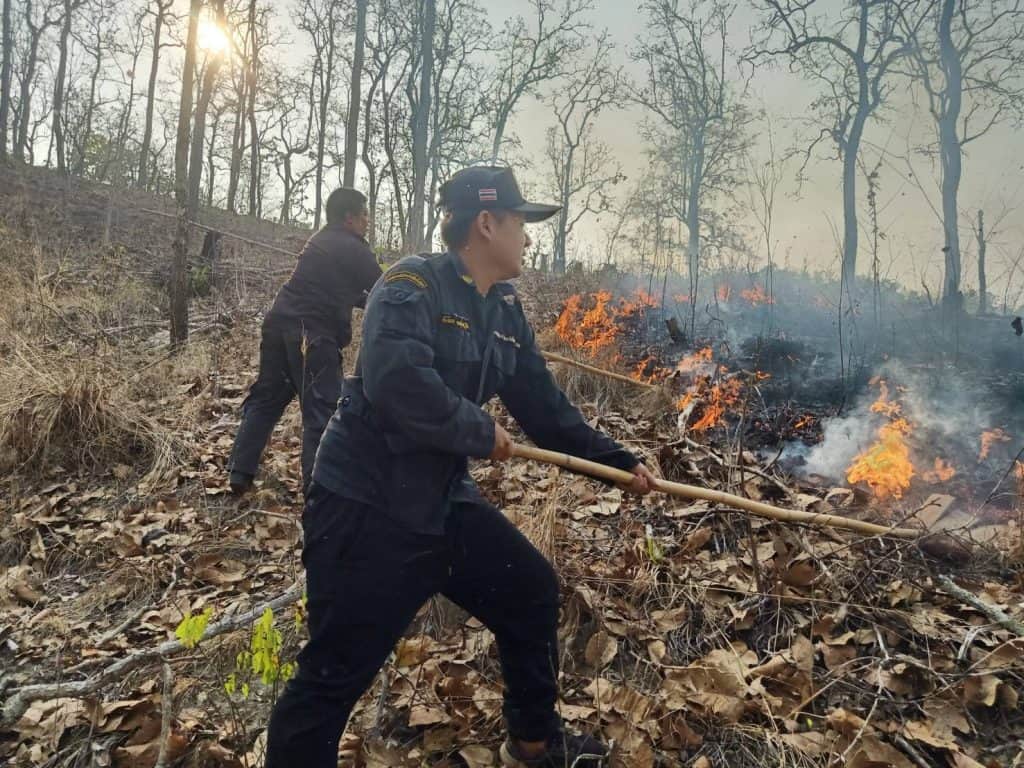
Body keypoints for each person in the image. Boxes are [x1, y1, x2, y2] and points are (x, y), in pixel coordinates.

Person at [264, 166, 656, 768]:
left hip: (443, 500)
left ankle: (533, 743)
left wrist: (618, 464)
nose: (529, 237)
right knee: (333, 673)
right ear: (486, 224)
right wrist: (478, 430)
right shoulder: (410, 284)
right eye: (521, 222)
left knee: (529, 592)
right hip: (368, 507)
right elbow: (397, 381)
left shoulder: (504, 310)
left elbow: (545, 409)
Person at [227, 188, 381, 494]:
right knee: (321, 410)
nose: (368, 221)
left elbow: (345, 291)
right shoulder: (354, 248)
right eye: (364, 215)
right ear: (349, 218)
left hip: (277, 324)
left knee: (266, 398)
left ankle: (239, 473)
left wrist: (366, 302)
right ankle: (319, 491)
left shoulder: (320, 240)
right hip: (312, 335)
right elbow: (385, 287)